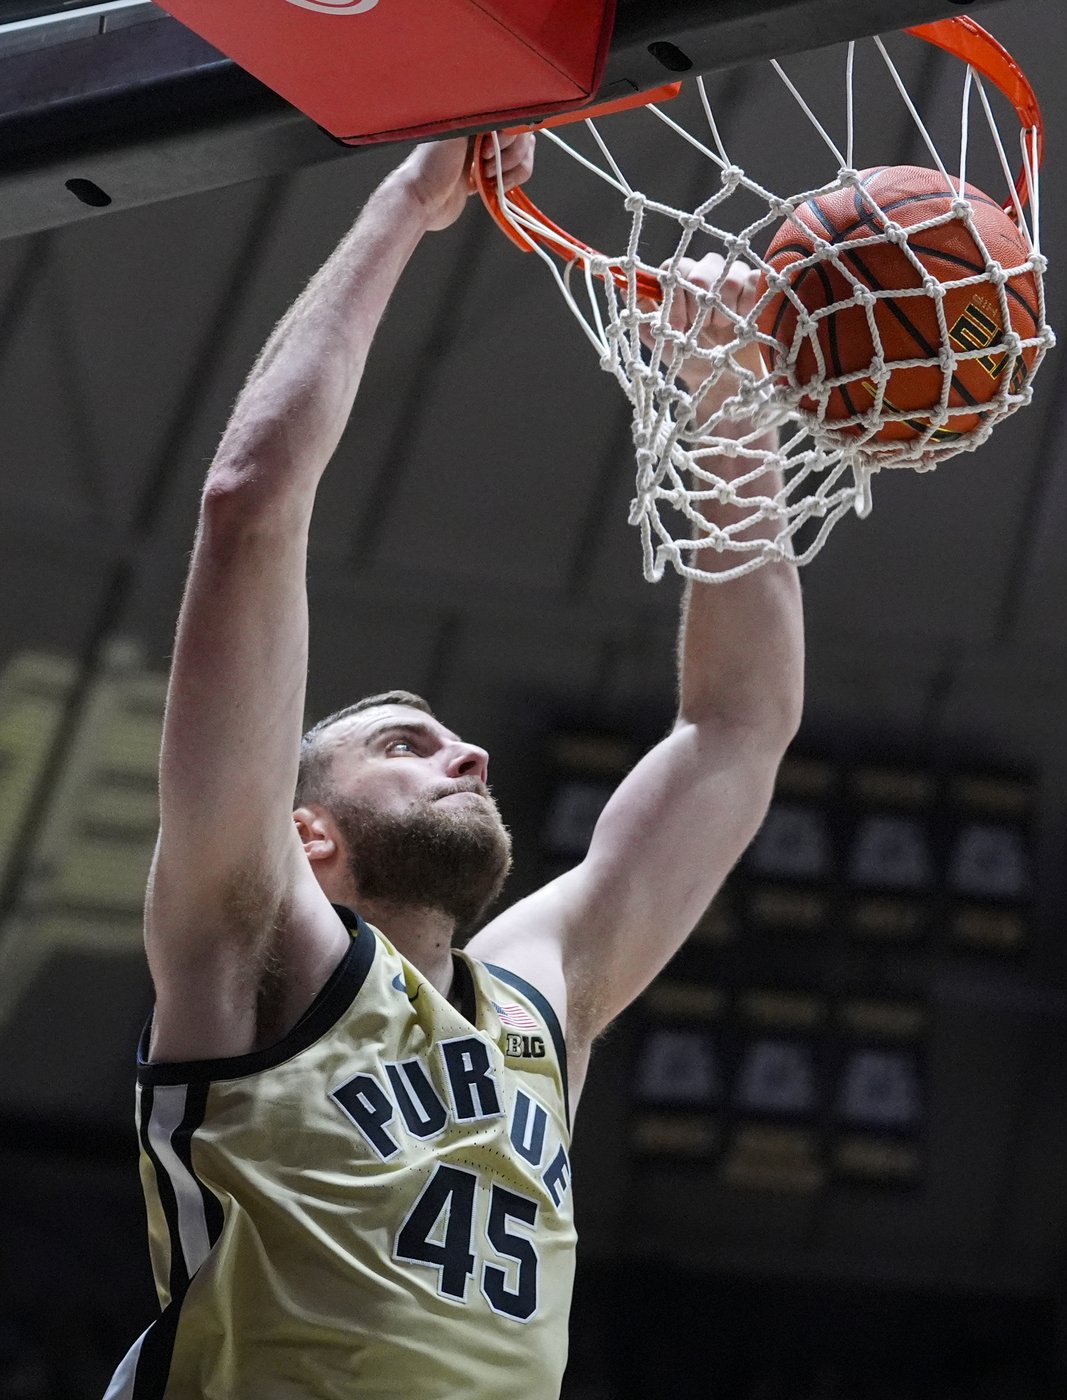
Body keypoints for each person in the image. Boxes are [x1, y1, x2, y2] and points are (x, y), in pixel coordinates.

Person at [102, 131, 804, 1399]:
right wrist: (408, 203)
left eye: (450, 738)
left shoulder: (543, 993)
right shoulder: (256, 940)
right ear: (308, 832)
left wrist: (728, 405)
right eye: (403, 742)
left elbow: (737, 730)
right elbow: (250, 506)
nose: (468, 750)